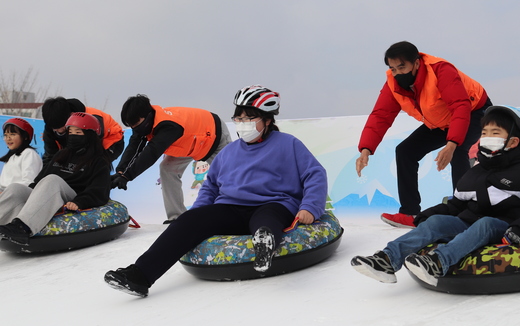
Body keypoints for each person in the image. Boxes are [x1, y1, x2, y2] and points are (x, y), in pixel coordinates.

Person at [104, 85, 328, 298]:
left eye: (249, 118)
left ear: (267, 120)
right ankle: (139, 276)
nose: (243, 124)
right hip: (230, 208)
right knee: (187, 221)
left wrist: (310, 207)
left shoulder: (288, 144)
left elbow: (315, 174)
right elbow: (211, 185)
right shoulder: (229, 152)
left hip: (273, 204)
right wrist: (199, 214)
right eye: (239, 119)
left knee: (266, 221)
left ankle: (264, 246)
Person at [351, 106, 520, 286]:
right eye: (484, 132)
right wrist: (429, 215)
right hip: (468, 224)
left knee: (484, 223)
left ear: (513, 142)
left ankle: (438, 263)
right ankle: (387, 260)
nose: (487, 137)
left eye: (495, 132)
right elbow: (456, 205)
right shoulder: (474, 173)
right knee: (437, 223)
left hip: (504, 226)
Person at [356, 41, 492, 228]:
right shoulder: (392, 83)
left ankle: (464, 213)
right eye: (393, 68)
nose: (397, 73)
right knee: (405, 151)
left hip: (474, 111)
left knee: (459, 150)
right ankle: (410, 213)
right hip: (439, 121)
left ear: (417, 63)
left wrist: (451, 143)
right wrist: (365, 148)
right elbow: (381, 115)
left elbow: (460, 106)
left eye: (402, 67)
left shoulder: (441, 70)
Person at [111, 95, 232, 223]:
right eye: (132, 126)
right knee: (167, 169)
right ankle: (177, 218)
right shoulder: (144, 124)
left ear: (147, 116)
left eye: (137, 125)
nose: (136, 129)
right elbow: (134, 147)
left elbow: (151, 153)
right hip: (186, 143)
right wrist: (121, 172)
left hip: (213, 134)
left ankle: (233, 213)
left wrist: (128, 176)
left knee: (227, 176)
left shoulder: (168, 126)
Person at [0, 113, 112, 245]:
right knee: (16, 188)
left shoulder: (98, 161)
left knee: (53, 180)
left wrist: (80, 202)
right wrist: (27, 193)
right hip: (48, 193)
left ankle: (22, 227)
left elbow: (99, 190)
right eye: (70, 132)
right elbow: (40, 179)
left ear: (90, 135)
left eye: (78, 132)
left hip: (71, 196)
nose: (73, 136)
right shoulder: (62, 154)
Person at [41, 97, 125, 164]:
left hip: (110, 141)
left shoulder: (91, 119)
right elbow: (50, 156)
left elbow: (91, 148)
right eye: (56, 129)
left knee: (92, 165)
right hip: (77, 145)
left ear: (70, 116)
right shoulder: (50, 125)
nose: (59, 131)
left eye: (63, 127)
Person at [0, 118, 42, 192]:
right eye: (6, 135)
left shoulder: (29, 154)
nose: (8, 138)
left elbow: (29, 183)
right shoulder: (11, 156)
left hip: (17, 195)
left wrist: (5, 192)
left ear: (25, 136)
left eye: (12, 134)